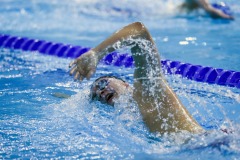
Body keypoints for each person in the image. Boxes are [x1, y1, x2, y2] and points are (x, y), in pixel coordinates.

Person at [69, 22, 204, 135]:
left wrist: (96, 53)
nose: (101, 92)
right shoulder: (132, 120)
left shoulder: (148, 91)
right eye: (97, 95)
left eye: (103, 84)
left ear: (126, 84)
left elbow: (139, 31)